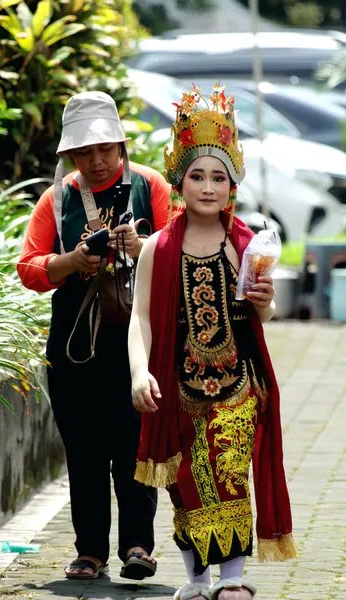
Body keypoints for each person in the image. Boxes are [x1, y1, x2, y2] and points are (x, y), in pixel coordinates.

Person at [128, 83, 298, 600]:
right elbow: (141, 317)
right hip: (179, 385)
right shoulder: (159, 246)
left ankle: (233, 580)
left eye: (218, 177)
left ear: (233, 185)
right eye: (197, 175)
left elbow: (264, 312)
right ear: (179, 180)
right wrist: (140, 371)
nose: (207, 186)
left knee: (228, 473)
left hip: (238, 385)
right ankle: (198, 581)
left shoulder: (247, 244)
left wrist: (265, 298)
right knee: (187, 485)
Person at [17, 91, 171, 580]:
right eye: (85, 153)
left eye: (106, 148)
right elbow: (29, 267)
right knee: (82, 451)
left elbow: (181, 250)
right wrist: (72, 260)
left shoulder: (151, 186)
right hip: (75, 349)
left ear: (121, 144)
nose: (98, 160)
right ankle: (89, 552)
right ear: (70, 156)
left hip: (137, 345)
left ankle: (138, 548)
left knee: (135, 445)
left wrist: (141, 244)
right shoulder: (57, 198)